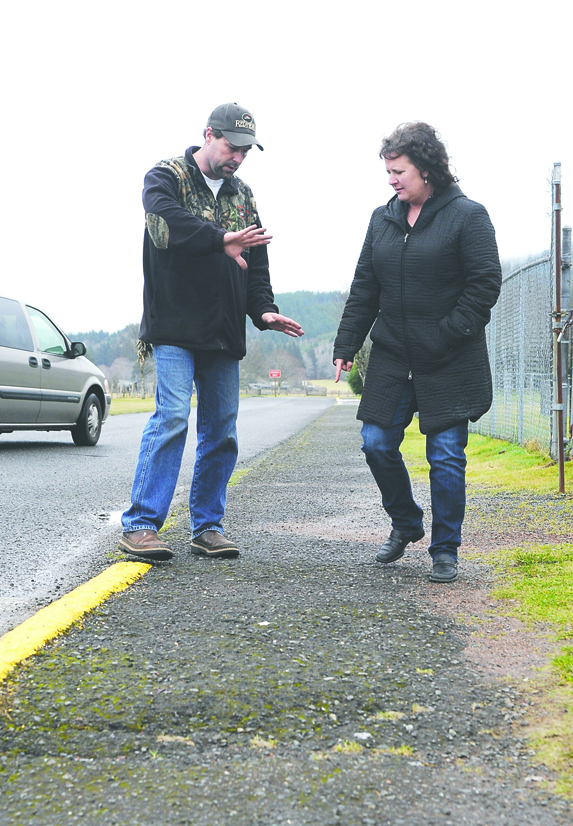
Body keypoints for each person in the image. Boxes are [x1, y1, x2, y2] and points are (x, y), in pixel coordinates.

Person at [120, 103, 303, 562]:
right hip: (175, 326)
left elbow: (256, 264)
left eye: (246, 151)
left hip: (223, 332)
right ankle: (141, 525)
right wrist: (220, 239)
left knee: (222, 430)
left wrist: (263, 311)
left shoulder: (244, 197)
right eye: (231, 146)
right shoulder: (167, 176)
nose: (238, 157)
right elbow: (164, 225)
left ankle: (207, 527)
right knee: (173, 416)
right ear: (208, 134)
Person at [333, 122, 501, 583]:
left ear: (426, 169)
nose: (390, 179)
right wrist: (346, 345)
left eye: (398, 170)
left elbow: (485, 284)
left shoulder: (468, 216)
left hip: (449, 356)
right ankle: (407, 522)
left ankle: (445, 550)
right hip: (392, 355)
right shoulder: (382, 218)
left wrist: (447, 333)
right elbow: (365, 287)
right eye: (387, 171)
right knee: (376, 442)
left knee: (446, 455)